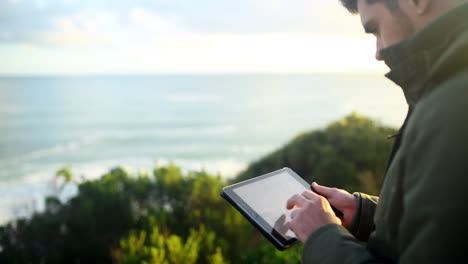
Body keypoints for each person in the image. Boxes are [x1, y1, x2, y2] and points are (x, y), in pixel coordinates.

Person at [286, 0, 468, 262]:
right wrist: (366, 214)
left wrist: (322, 236)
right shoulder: (448, 89)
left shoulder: (451, 107)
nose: (378, 51)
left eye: (376, 29)